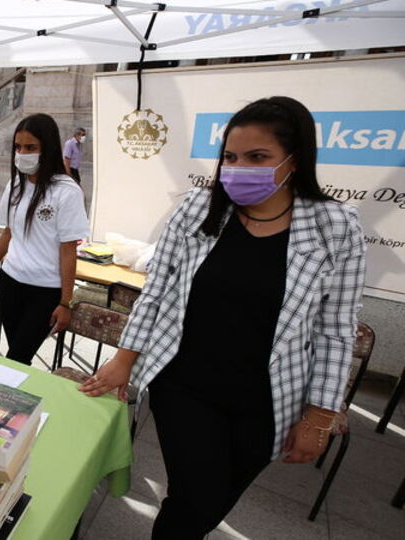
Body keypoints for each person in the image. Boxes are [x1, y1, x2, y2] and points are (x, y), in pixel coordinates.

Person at [79, 96, 366, 539]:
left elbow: (335, 330)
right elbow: (157, 289)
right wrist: (125, 358)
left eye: (257, 157)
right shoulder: (198, 208)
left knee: (211, 503)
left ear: (294, 160)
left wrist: (319, 415)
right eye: (230, 157)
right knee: (194, 495)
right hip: (185, 385)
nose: (238, 168)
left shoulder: (335, 226)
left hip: (270, 400)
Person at [0, 113, 90, 365]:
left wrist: (65, 302)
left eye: (31, 147)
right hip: (10, 282)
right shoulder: (15, 185)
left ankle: (5, 400)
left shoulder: (67, 191)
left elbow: (68, 250)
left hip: (45, 292)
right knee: (18, 356)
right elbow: (9, 232)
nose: (22, 153)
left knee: (16, 357)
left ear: (47, 148)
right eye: (18, 147)